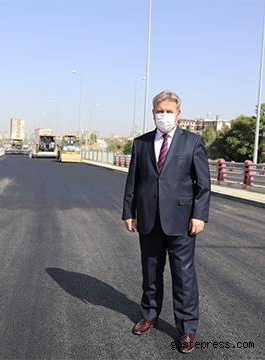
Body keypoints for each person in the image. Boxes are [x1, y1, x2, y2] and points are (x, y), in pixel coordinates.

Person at [122, 90, 210, 354]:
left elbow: (203, 185)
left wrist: (199, 215)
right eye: (159, 111)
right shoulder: (141, 143)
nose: (164, 116)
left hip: (182, 222)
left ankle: (186, 329)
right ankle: (149, 314)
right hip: (149, 219)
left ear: (178, 114)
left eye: (169, 111)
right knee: (150, 272)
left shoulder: (192, 142)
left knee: (183, 276)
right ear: (152, 114)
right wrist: (129, 212)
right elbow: (133, 182)